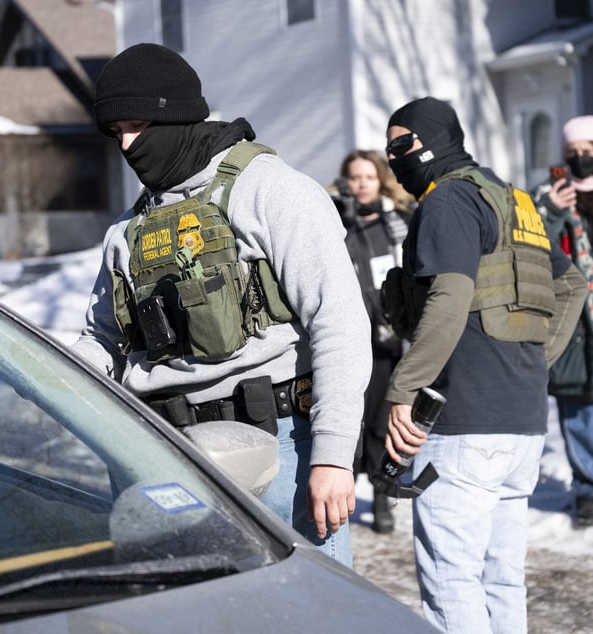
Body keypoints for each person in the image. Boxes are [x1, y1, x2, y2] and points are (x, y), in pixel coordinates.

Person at [73, 42, 372, 566]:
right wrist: (38, 375)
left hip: (274, 450)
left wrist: (332, 457)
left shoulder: (275, 192)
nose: (127, 146)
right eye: (116, 132)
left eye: (138, 126)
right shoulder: (126, 229)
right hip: (165, 459)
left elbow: (339, 322)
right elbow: (102, 339)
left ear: (178, 115)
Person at [381, 96, 586, 633]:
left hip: (464, 422)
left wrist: (405, 388)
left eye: (402, 144)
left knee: (452, 579)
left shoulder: (448, 201)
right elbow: (571, 283)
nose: (393, 156)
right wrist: (535, 360)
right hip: (519, 423)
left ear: (434, 138)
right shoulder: (513, 199)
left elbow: (449, 296)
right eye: (389, 147)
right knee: (501, 579)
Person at [328, 149, 411, 533]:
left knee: (381, 424)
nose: (361, 184)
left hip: (390, 340)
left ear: (381, 180)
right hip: (349, 337)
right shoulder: (334, 223)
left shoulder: (399, 224)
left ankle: (381, 497)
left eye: (368, 177)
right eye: (354, 177)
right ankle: (341, 494)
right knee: (350, 420)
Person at [531, 114, 593, 526]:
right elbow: (536, 244)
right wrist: (552, 211)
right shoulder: (549, 198)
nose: (581, 160)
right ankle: (587, 488)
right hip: (573, 322)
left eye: (588, 152)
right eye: (573, 153)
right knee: (576, 411)